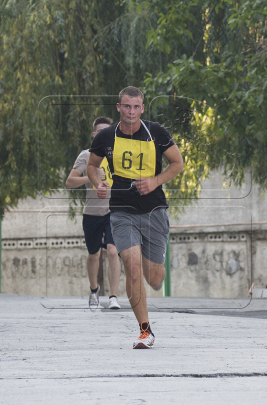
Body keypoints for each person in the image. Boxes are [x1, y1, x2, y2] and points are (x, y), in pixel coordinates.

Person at [87, 87, 184, 349]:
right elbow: (92, 165)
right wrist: (98, 183)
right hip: (121, 211)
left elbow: (178, 163)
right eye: (126, 107)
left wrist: (155, 181)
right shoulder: (107, 137)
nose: (131, 112)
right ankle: (145, 331)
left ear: (142, 108)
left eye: (136, 107)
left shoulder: (156, 133)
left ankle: (154, 263)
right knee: (132, 267)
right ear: (118, 108)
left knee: (154, 279)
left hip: (154, 211)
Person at [66, 116, 122, 310]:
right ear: (94, 135)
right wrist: (91, 177)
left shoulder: (120, 155)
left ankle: (113, 296)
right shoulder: (86, 155)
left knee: (114, 251)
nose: (104, 135)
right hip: (92, 212)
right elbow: (70, 181)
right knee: (93, 255)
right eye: (100, 132)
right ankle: (94, 290)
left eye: (107, 131)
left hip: (114, 212)